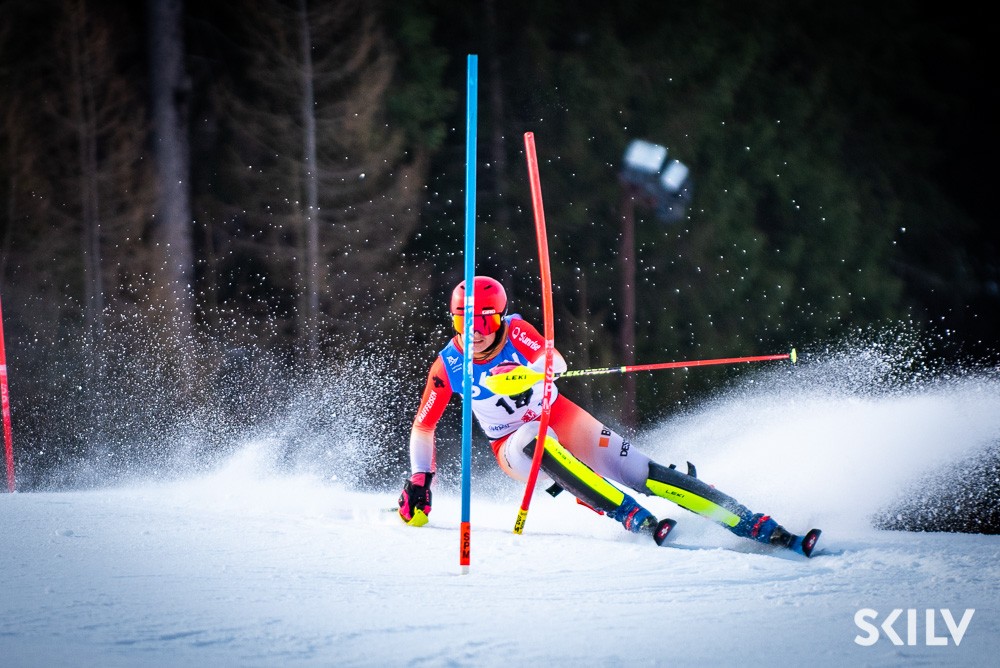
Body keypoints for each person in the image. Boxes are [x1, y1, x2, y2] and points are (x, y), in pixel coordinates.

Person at [398, 275, 821, 556]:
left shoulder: (518, 331)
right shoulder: (448, 365)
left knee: (641, 471)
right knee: (534, 440)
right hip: (511, 447)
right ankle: (628, 514)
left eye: (484, 322)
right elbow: (424, 425)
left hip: (558, 413)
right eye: (464, 322)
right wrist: (421, 479)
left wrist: (529, 372)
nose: (474, 332)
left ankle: (752, 523)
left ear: (500, 318)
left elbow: (555, 361)